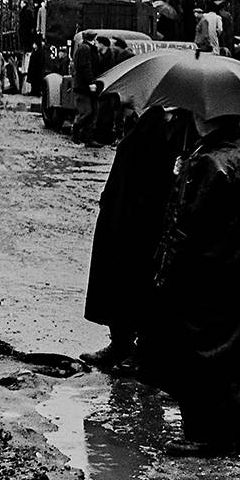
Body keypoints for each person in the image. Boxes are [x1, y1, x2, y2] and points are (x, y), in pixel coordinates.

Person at [138, 108, 240, 457]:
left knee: (197, 349)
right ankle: (232, 433)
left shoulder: (206, 160)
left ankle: (201, 433)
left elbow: (183, 224)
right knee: (236, 353)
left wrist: (162, 274)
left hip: (201, 273)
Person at [82, 105, 191, 374]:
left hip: (148, 218)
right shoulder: (145, 117)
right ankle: (120, 343)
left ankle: (145, 351)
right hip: (122, 213)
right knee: (117, 278)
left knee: (144, 282)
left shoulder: (175, 126)